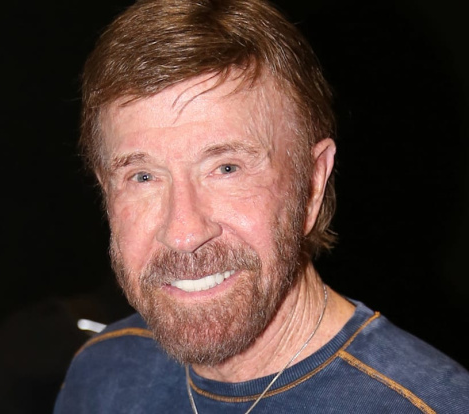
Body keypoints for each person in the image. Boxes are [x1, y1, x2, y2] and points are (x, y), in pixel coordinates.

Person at [53, 0, 469, 412]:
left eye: (227, 168)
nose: (183, 234)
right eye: (143, 176)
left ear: (312, 184)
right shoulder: (102, 373)